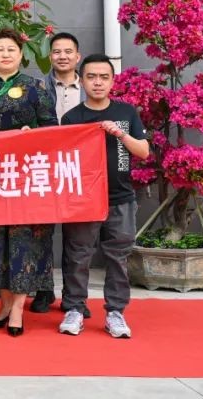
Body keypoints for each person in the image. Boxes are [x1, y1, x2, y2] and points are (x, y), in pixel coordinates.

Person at [0, 29, 58, 337]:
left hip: (27, 176)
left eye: (11, 49)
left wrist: (33, 135)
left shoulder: (35, 88)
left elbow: (52, 129)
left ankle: (19, 308)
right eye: (0, 49)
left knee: (25, 240)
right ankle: (5, 304)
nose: (5, 54)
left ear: (21, 54)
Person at [59, 54, 149, 339]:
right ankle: (74, 308)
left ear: (112, 81)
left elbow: (144, 151)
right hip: (83, 200)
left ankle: (115, 312)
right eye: (91, 77)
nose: (97, 82)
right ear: (82, 80)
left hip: (121, 198)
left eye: (103, 77)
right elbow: (63, 157)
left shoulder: (126, 112)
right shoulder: (72, 118)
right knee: (78, 256)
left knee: (118, 257)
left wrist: (120, 134)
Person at [32, 31, 86, 314]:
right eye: (56, 52)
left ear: (77, 56)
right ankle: (44, 291)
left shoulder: (90, 87)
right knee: (41, 233)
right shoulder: (37, 88)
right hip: (45, 167)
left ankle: (74, 297)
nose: (62, 56)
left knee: (77, 238)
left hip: (81, 169)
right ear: (49, 56)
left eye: (68, 52)